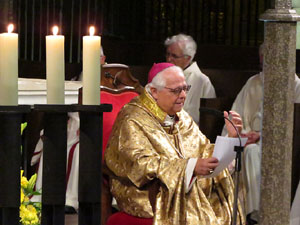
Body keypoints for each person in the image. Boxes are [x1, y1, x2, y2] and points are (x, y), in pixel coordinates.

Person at [104, 62, 245, 225]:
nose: (183, 95)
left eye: (186, 88)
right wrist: (189, 168)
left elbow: (202, 149)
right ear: (154, 92)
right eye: (176, 90)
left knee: (222, 198)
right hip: (147, 195)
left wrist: (230, 138)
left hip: (187, 187)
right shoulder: (133, 119)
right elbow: (138, 164)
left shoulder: (181, 116)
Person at [221, 44, 300, 224]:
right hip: (248, 139)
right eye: (263, 58)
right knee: (242, 151)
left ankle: (256, 213)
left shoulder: (295, 85)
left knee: (251, 153)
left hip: (277, 146)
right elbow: (236, 113)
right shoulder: (253, 82)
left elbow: (295, 124)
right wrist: (241, 134)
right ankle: (241, 212)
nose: (265, 63)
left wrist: (262, 135)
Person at [164, 33, 216, 124]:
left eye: (174, 56)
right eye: (168, 54)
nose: (169, 59)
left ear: (188, 58)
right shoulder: (161, 76)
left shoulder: (202, 81)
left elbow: (209, 119)